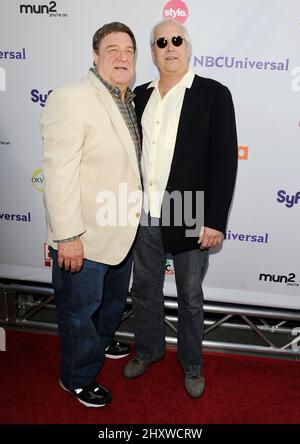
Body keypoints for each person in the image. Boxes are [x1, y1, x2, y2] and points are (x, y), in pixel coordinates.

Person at [123, 19, 238, 398]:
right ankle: (150, 349)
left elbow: (225, 161)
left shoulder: (213, 94)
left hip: (188, 209)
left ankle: (191, 363)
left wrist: (215, 219)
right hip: (143, 211)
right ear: (152, 52)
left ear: (188, 47)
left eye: (177, 40)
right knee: (144, 289)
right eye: (161, 42)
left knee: (190, 294)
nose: (170, 47)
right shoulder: (137, 96)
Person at [41, 22, 142, 407]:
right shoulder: (72, 97)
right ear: (95, 57)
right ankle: (77, 378)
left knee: (110, 304)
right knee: (78, 312)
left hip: (120, 230)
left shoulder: (126, 100)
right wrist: (67, 236)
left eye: (129, 50)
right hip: (82, 237)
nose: (122, 56)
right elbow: (59, 172)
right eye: (112, 49)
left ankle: (100, 344)